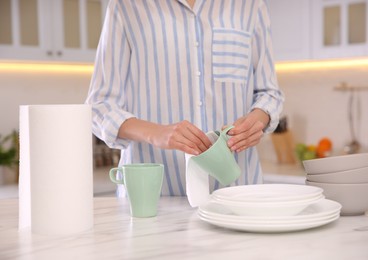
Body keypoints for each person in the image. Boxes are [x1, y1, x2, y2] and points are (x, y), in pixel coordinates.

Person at [85, 0, 284, 197]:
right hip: (152, 199)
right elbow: (98, 107)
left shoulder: (251, 5)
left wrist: (258, 119)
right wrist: (156, 132)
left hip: (239, 194)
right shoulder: (125, 5)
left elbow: (269, 93)